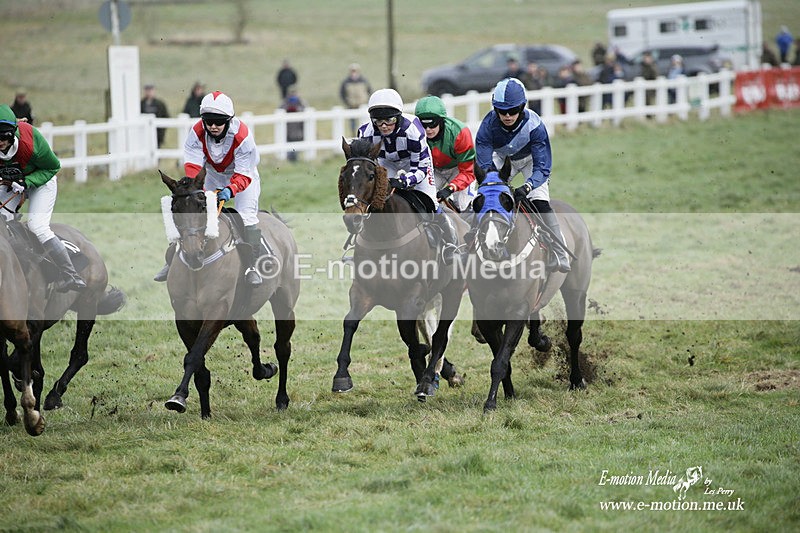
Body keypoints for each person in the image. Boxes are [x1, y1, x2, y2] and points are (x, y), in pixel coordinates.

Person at [154, 91, 264, 285]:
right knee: (193, 212)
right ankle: (172, 259)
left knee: (246, 216)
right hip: (210, 175)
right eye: (208, 121)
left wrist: (230, 190)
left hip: (244, 177)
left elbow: (244, 173)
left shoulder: (243, 137)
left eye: (218, 121)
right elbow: (194, 169)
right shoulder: (196, 133)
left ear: (229, 120)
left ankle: (251, 266)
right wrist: (192, 192)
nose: (213, 126)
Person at [475, 78, 570, 273]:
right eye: (502, 111)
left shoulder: (535, 125)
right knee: (486, 196)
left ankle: (560, 252)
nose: (507, 115)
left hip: (530, 161)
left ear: (522, 107)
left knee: (540, 202)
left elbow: (543, 168)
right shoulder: (487, 125)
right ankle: (470, 242)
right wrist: (494, 181)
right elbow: (484, 161)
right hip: (502, 160)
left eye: (513, 110)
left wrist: (527, 187)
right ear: (495, 109)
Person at [357, 88, 460, 264]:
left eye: (389, 120)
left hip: (415, 162)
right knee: (373, 203)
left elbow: (420, 168)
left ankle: (450, 243)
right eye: (378, 121)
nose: (384, 126)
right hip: (386, 162)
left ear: (398, 117)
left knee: (430, 204)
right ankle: (361, 248)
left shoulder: (413, 130)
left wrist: (405, 181)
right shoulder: (365, 134)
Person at [0, 104, 86, 291]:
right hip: (11, 184)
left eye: (3, 137)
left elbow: (53, 167)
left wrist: (27, 181)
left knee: (37, 225)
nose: (0, 142)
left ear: (13, 132)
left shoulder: (30, 140)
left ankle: (71, 275)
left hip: (42, 182)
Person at [414, 95, 477, 213]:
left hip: (458, 170)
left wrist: (450, 188)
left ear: (442, 120)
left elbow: (468, 172)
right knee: (423, 200)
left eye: (432, 124)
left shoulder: (460, 132)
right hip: (432, 169)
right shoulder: (414, 133)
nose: (428, 130)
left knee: (463, 206)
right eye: (423, 125)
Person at [339, 63, 372, 136]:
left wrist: (366, 101)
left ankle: (364, 134)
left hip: (362, 105)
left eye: (355, 71)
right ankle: (354, 135)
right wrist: (347, 102)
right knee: (352, 123)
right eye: (352, 71)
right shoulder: (346, 82)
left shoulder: (364, 81)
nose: (354, 73)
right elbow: (342, 93)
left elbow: (369, 91)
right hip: (351, 105)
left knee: (364, 122)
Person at [281, 86, 305, 162]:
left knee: (295, 150)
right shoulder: (285, 104)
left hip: (298, 133)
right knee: (289, 150)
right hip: (288, 133)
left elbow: (304, 111)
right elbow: (281, 110)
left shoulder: (301, 104)